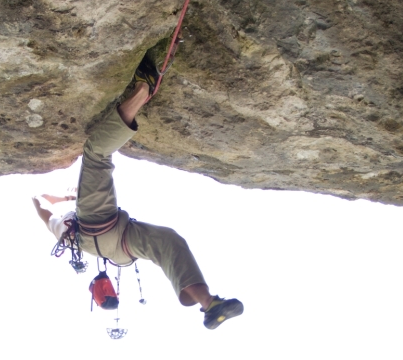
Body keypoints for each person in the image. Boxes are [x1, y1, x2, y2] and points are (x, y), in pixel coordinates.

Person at [32, 52, 244, 330]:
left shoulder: (62, 231)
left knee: (169, 242)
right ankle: (143, 88)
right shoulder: (62, 229)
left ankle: (209, 304)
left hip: (119, 250)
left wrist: (57, 200)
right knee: (95, 154)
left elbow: (43, 210)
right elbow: (39, 207)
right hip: (98, 228)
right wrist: (54, 197)